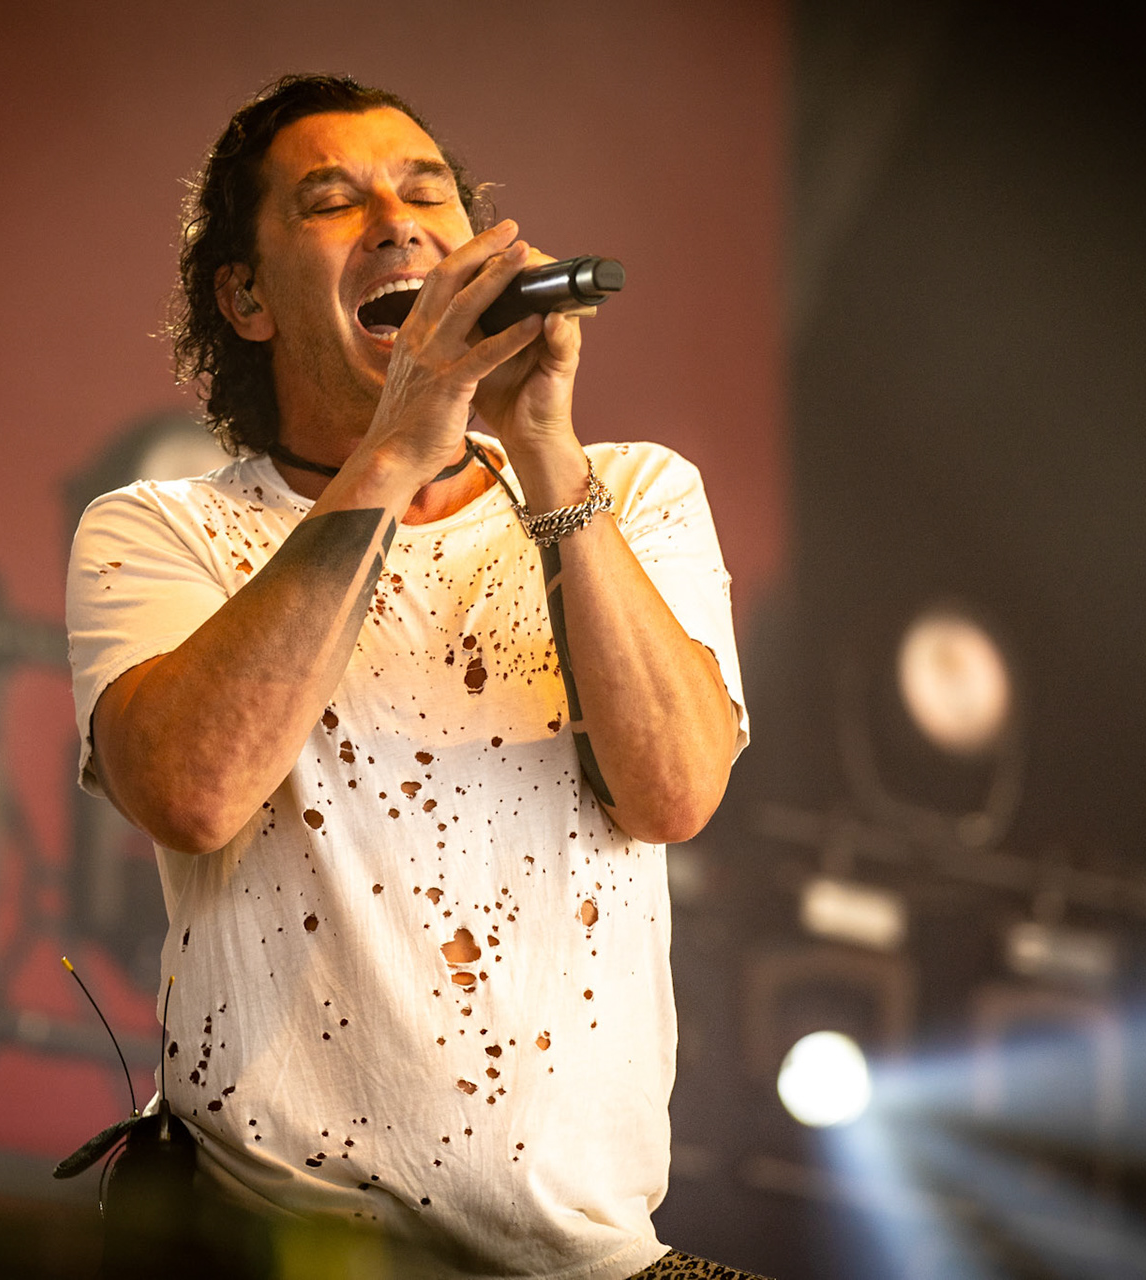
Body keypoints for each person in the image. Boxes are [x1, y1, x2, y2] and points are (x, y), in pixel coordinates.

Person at [66, 74, 757, 1279]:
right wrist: (398, 443)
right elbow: (190, 789)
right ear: (245, 297)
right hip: (275, 1247)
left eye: (427, 192)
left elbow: (675, 789)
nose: (396, 222)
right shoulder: (164, 530)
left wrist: (544, 447)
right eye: (332, 202)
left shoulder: (636, 491)